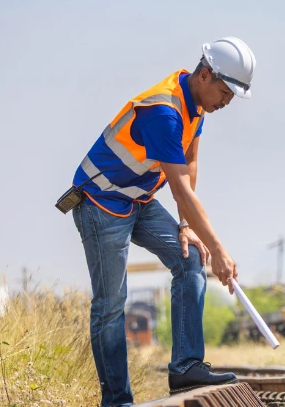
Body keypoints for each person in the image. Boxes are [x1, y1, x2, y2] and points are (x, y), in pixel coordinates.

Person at [66, 37, 255, 405]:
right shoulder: (164, 112)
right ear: (204, 75)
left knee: (189, 259)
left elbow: (191, 161)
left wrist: (186, 227)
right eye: (224, 93)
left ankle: (185, 367)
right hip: (100, 200)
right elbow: (181, 189)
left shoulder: (195, 105)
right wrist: (217, 248)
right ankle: (118, 400)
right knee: (111, 302)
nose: (226, 103)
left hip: (137, 199)